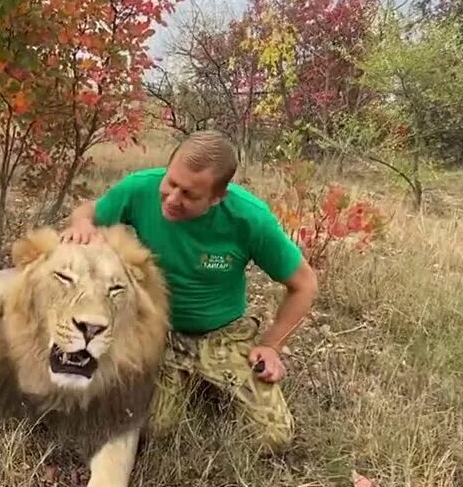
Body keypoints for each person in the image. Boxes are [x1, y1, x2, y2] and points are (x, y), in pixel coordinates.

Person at [59, 130, 318, 452]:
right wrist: (83, 225)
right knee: (154, 431)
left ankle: (210, 377)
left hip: (223, 333)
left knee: (273, 438)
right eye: (171, 183)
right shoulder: (140, 187)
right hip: (162, 331)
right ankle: (190, 382)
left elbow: (304, 284)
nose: (172, 199)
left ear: (217, 197)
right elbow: (88, 211)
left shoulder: (250, 219)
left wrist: (272, 345)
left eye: (190, 195)